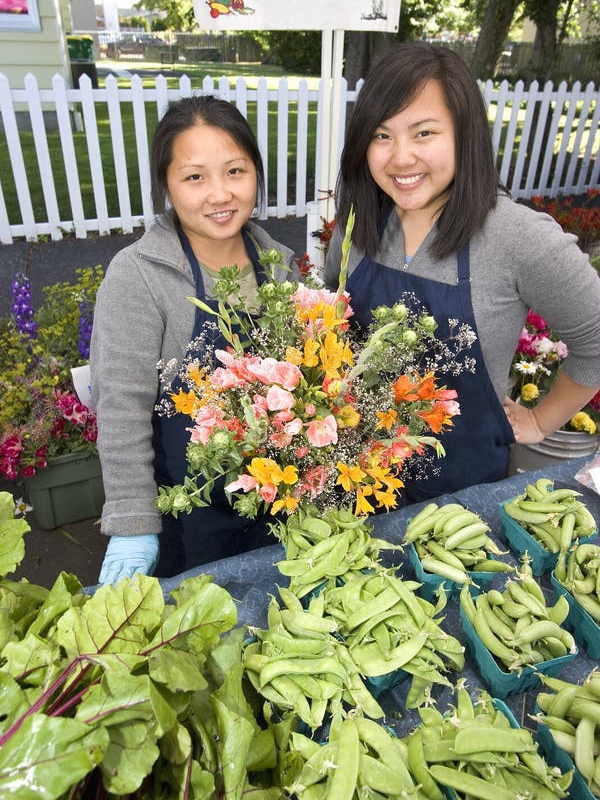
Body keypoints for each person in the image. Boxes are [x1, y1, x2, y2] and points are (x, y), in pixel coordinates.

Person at [324, 41, 600, 502]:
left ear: (464, 134)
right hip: (350, 479)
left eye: (424, 133)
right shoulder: (360, 223)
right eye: (381, 135)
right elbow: (330, 314)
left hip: (460, 501)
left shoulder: (516, 235)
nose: (400, 158)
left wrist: (540, 419)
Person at [91, 95, 299, 584]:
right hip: (188, 518)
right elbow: (121, 407)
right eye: (194, 177)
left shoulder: (278, 265)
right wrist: (133, 523)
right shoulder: (140, 277)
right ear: (167, 185)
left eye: (235, 171)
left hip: (278, 503)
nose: (219, 194)